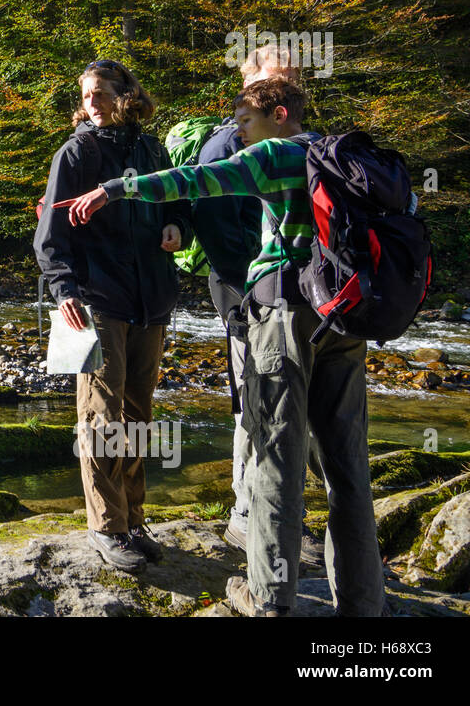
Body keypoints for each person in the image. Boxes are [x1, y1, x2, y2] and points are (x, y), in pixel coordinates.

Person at [57, 78, 384, 616]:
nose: (238, 132)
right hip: (345, 324)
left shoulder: (276, 154)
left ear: (279, 115)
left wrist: (113, 191)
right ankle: (364, 606)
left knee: (276, 462)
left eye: (245, 122)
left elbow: (197, 180)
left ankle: (268, 597)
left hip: (285, 319)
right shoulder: (342, 156)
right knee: (348, 469)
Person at [33, 59, 192, 573]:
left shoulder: (152, 148)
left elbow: (179, 200)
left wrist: (176, 227)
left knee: (140, 416)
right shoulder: (77, 152)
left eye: (99, 93)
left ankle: (134, 518)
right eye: (85, 96)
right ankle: (106, 525)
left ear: (127, 95)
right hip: (98, 299)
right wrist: (63, 290)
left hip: (153, 299)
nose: (90, 104)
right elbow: (49, 234)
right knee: (101, 416)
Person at [194, 44, 327, 567]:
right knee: (256, 402)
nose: (290, 84)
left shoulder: (293, 139)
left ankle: (277, 510)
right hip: (250, 291)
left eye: (295, 75)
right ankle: (247, 515)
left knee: (285, 402)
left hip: (294, 294)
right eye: (279, 74)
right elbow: (207, 209)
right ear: (252, 79)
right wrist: (249, 281)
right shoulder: (235, 137)